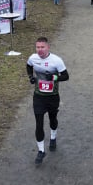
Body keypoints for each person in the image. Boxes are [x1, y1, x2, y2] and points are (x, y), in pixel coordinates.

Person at [26, 37, 69, 165]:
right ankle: (41, 151)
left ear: (48, 47)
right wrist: (31, 77)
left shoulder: (56, 61)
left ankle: (53, 137)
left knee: (52, 119)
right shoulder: (33, 58)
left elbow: (66, 76)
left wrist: (54, 77)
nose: (40, 50)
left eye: (42, 47)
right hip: (38, 96)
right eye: (38, 47)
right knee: (39, 123)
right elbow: (28, 66)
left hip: (52, 97)